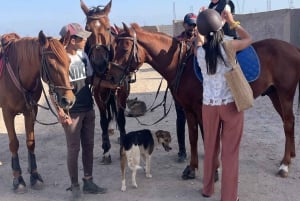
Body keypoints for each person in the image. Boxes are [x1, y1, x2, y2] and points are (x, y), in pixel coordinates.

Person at [196, 9, 252, 201]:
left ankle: (207, 189)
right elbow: (249, 39)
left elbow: (200, 39)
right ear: (220, 28)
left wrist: (201, 22)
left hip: (208, 106)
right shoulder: (229, 46)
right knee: (230, 153)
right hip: (230, 105)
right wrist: (233, 21)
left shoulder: (200, 53)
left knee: (210, 148)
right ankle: (228, 197)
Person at [59, 23, 107, 200]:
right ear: (72, 40)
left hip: (88, 108)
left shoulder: (83, 55)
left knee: (88, 146)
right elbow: (54, 90)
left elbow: (89, 80)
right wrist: (61, 112)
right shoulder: (61, 59)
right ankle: (74, 185)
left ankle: (88, 181)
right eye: (82, 38)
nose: (85, 40)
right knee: (74, 149)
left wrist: (109, 86)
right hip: (72, 112)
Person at [174, 12, 198, 163]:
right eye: (190, 24)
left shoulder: (201, 39)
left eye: (195, 24)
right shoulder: (177, 41)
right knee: (181, 118)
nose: (192, 27)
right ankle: (182, 150)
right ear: (184, 25)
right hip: (180, 87)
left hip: (196, 88)